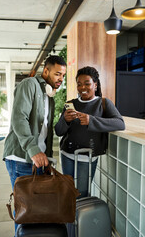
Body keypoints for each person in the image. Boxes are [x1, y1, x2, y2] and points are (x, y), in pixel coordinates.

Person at [3, 55, 66, 236]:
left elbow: (44, 131)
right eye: (57, 74)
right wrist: (33, 150)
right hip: (21, 157)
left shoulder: (49, 97)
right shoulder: (29, 85)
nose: (60, 79)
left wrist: (45, 156)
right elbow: (19, 119)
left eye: (63, 75)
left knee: (35, 208)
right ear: (45, 71)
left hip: (37, 159)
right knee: (26, 210)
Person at [55, 66, 125, 198]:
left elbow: (120, 123)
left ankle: (80, 219)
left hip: (88, 157)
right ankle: (69, 219)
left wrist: (91, 120)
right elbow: (59, 131)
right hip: (67, 155)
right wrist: (65, 120)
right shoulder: (70, 104)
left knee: (82, 194)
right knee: (68, 193)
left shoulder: (103, 103)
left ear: (95, 85)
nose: (82, 88)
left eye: (87, 84)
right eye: (79, 84)